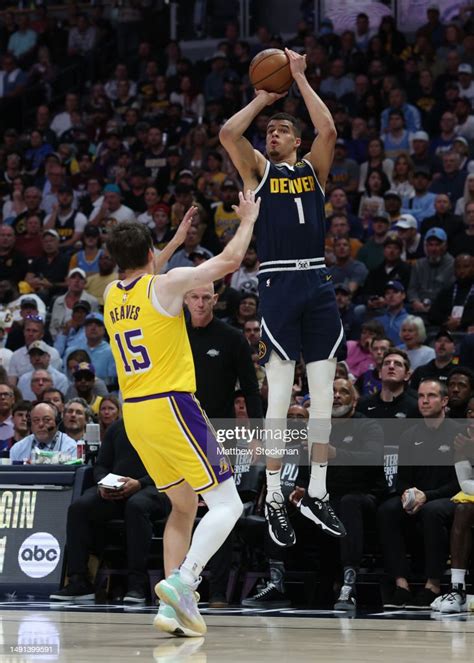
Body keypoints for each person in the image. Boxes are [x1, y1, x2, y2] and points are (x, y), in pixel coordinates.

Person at [104, 192, 259, 637]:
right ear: (152, 255)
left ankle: (172, 611)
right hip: (173, 405)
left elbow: (144, 266)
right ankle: (184, 581)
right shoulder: (167, 285)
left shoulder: (114, 294)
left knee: (183, 504)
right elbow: (230, 261)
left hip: (135, 415)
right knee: (227, 502)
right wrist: (246, 219)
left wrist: (170, 242)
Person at [219, 48, 346, 548]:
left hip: (316, 283)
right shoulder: (257, 172)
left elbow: (329, 129)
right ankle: (273, 495)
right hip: (277, 283)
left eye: (280, 130)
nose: (271, 134)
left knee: (323, 400)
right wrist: (262, 99)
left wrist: (299, 78)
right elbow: (229, 134)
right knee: (277, 399)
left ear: (296, 140)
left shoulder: (314, 171)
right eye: (269, 131)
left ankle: (315, 491)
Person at [50, 419, 171, 603]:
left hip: (157, 487)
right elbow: (101, 465)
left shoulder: (165, 425)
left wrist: (140, 483)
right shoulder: (117, 427)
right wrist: (103, 484)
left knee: (136, 505)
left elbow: (170, 466)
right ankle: (78, 581)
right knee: (79, 508)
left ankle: (136, 585)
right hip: (116, 489)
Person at [377, 379, 460, 609]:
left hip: (450, 497)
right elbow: (403, 478)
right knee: (388, 510)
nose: (424, 400)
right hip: (419, 497)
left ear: (444, 401)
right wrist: (407, 494)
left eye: (431, 396)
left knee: (432, 512)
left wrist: (428, 496)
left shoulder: (459, 433)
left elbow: (460, 482)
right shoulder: (409, 434)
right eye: (422, 396)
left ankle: (432, 585)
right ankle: (401, 584)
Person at [10, 401, 77, 463]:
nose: (41, 424)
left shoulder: (71, 448)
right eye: (36, 420)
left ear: (57, 422)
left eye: (47, 420)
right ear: (30, 424)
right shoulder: (17, 449)